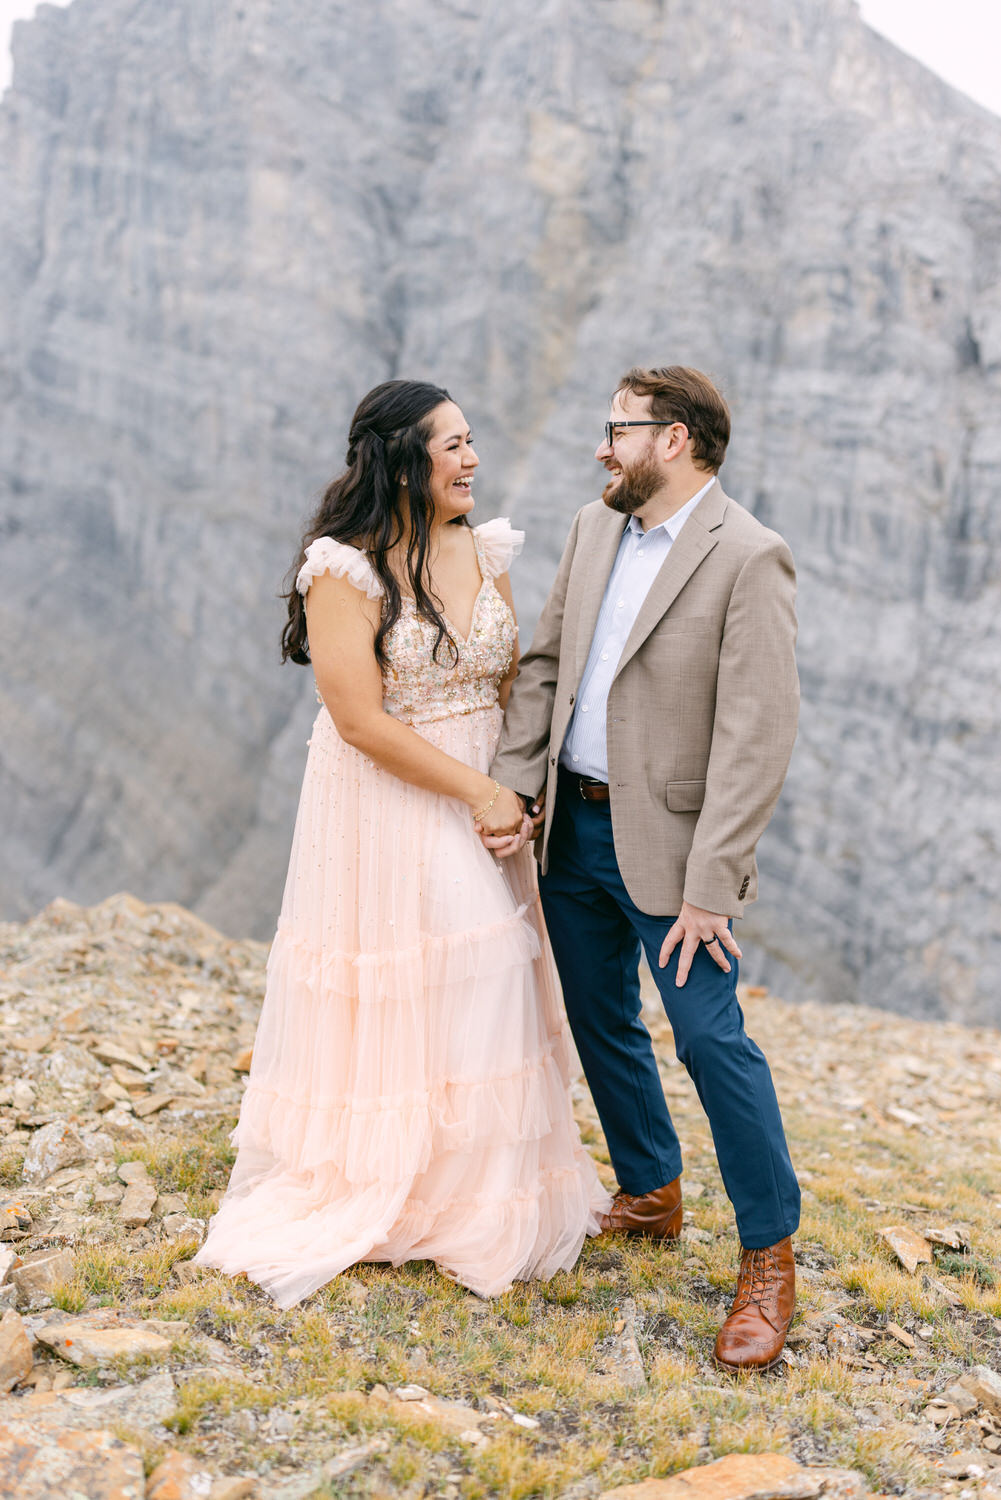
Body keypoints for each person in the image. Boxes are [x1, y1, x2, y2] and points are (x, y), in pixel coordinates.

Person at [195, 379, 609, 1307]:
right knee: (456, 966)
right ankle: (394, 1179)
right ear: (400, 459)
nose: (471, 460)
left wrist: (521, 790)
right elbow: (356, 719)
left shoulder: (482, 547)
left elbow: (508, 682)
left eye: (471, 441)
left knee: (492, 978)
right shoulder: (344, 569)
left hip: (489, 791)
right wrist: (477, 791)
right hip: (392, 795)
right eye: (450, 446)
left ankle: (472, 1184)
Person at [488, 365, 801, 1372]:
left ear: (670, 440)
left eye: (615, 430)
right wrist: (513, 785)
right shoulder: (590, 529)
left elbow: (757, 735)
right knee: (597, 1019)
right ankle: (650, 1188)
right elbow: (544, 665)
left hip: (674, 857)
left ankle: (766, 1260)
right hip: (570, 836)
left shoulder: (749, 557)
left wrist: (713, 883)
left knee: (711, 1044)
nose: (599, 448)